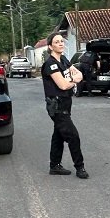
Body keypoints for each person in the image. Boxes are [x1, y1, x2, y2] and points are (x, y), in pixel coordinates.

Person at [41, 32, 88, 179]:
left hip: (66, 104)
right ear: (50, 46)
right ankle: (80, 167)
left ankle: (54, 165)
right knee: (73, 136)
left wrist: (72, 79)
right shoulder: (50, 64)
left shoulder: (64, 60)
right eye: (57, 42)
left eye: (62, 41)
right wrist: (74, 80)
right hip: (57, 106)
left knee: (59, 135)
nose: (61, 44)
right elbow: (62, 85)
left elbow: (79, 74)